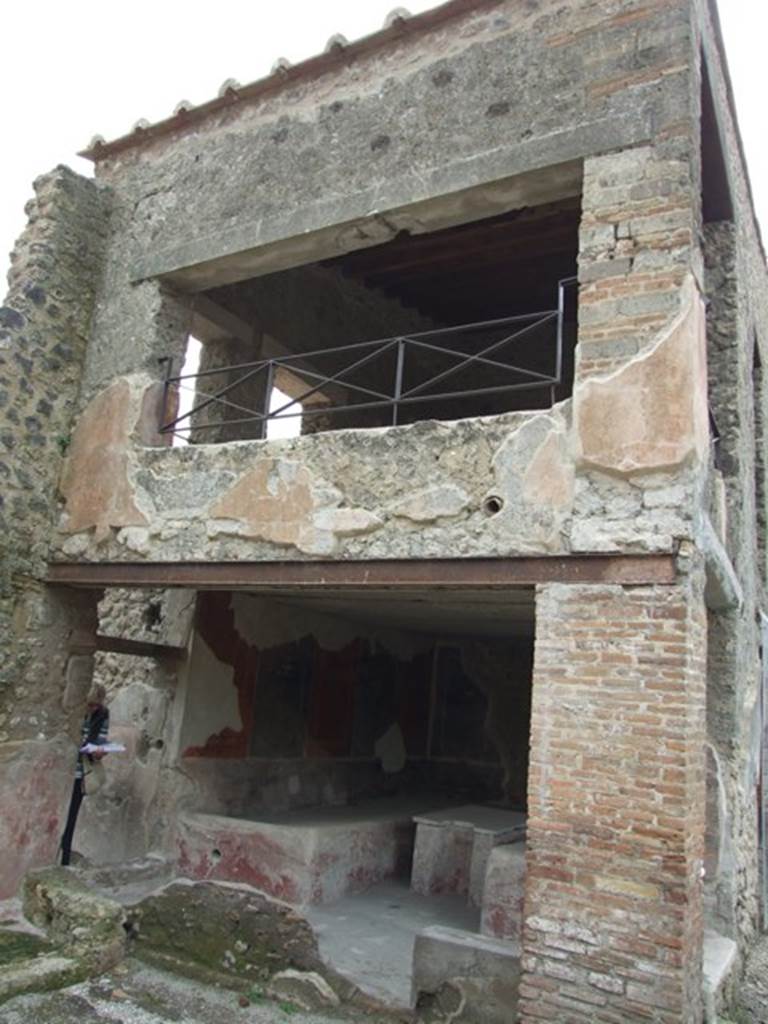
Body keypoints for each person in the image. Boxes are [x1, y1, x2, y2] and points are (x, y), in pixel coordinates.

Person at [60, 683, 109, 866]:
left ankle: (63, 860)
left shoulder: (102, 714)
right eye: (89, 705)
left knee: (71, 818)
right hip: (63, 773)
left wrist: (99, 750)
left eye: (96, 705)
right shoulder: (73, 712)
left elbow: (100, 740)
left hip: (80, 774)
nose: (92, 709)